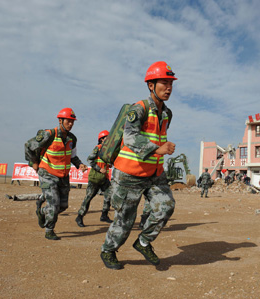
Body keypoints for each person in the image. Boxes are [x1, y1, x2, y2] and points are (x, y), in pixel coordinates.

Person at [100, 61, 177, 270]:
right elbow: (130, 136)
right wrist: (157, 149)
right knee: (125, 220)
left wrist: (159, 153)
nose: (169, 87)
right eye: (164, 82)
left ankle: (143, 242)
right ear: (151, 85)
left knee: (166, 206)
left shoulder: (167, 113)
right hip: (129, 174)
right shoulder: (139, 108)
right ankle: (108, 250)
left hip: (154, 173)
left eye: (171, 83)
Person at [25, 107, 88, 240]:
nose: (70, 124)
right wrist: (34, 162)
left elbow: (72, 156)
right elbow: (28, 146)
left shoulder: (72, 139)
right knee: (53, 205)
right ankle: (49, 230)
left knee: (63, 206)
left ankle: (42, 211)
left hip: (63, 175)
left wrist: (79, 164)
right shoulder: (49, 134)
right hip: (47, 173)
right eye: (68, 121)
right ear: (60, 120)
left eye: (72, 122)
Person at [75, 130, 113, 227]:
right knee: (88, 198)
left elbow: (107, 163)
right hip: (95, 179)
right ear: (101, 140)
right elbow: (90, 160)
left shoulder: (108, 151)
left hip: (104, 179)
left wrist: (109, 164)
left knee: (109, 195)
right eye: (106, 138)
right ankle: (79, 216)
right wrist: (100, 169)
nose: (108, 140)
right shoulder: (98, 148)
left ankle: (104, 215)